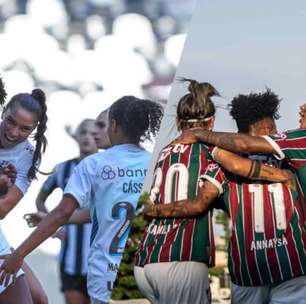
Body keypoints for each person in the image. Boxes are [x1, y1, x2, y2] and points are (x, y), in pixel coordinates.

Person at [144, 90, 306, 303]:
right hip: (293, 264)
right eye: (273, 128)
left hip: (247, 271)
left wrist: (153, 209)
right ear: (268, 129)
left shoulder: (222, 162)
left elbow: (200, 202)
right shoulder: (290, 156)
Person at [0, 95, 163, 304]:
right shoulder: (156, 162)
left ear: (114, 125)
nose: (94, 132)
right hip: (145, 274)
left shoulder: (92, 165)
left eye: (101, 125)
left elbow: (62, 213)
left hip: (106, 273)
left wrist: (20, 254)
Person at [34, 119, 99, 304]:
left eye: (93, 133)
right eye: (83, 132)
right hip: (70, 259)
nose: (88, 137)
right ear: (76, 136)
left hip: (101, 260)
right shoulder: (63, 168)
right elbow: (40, 199)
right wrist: (53, 228)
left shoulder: (108, 168)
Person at [0, 77, 48, 304]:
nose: (14, 132)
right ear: (4, 111)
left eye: (25, 129)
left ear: (34, 128)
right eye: (10, 122)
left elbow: (2, 210)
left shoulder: (28, 156)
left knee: (40, 299)